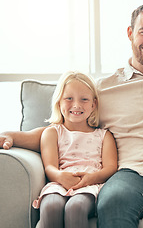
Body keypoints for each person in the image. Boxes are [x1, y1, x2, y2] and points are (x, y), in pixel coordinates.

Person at [0, 3, 143, 228]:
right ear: (130, 33)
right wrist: (11, 135)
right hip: (131, 172)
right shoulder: (102, 90)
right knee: (112, 202)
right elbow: (64, 130)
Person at [32, 71, 118, 228]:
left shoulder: (104, 135)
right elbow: (49, 166)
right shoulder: (52, 132)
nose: (76, 105)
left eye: (84, 99)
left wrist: (90, 178)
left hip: (90, 185)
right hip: (59, 182)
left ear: (93, 105)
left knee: (75, 208)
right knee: (51, 206)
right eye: (69, 98)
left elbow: (111, 167)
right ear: (59, 102)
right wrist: (60, 176)